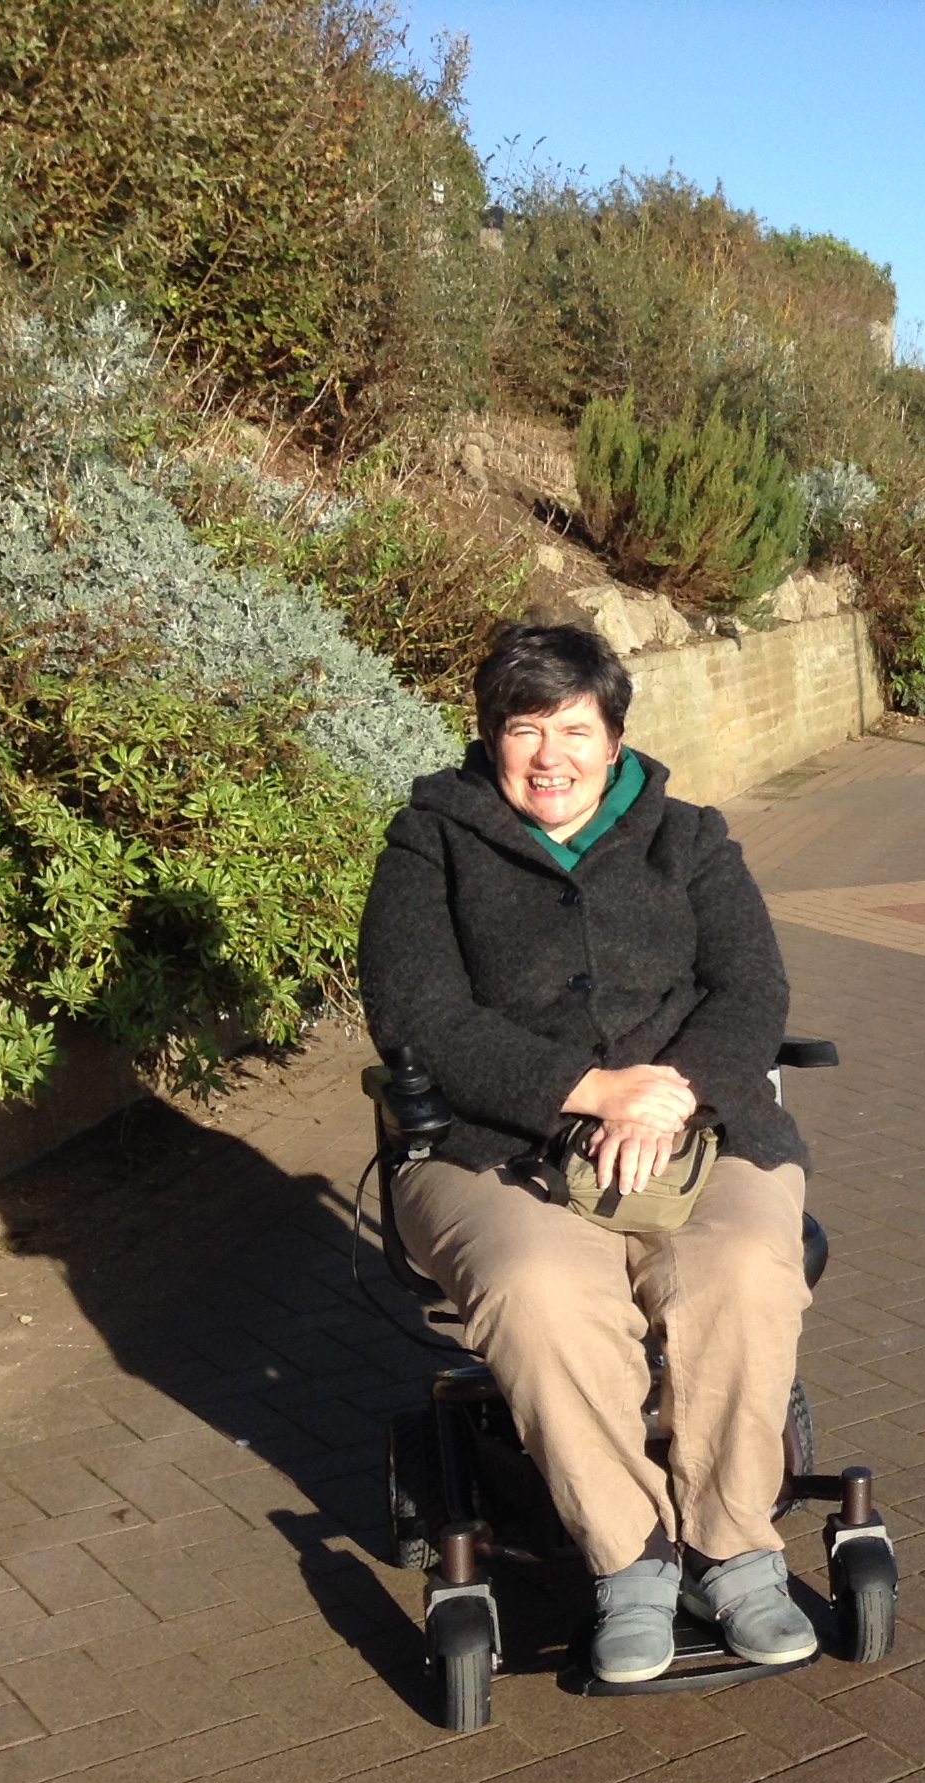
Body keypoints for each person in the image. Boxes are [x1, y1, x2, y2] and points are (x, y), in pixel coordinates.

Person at [360, 624, 819, 1685]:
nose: (550, 754)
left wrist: (668, 1097)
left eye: (575, 727)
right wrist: (586, 1092)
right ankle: (634, 1562)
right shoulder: (430, 841)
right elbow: (417, 1013)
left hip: (696, 1132)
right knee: (538, 1284)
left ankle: (733, 1545)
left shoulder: (691, 839)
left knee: (744, 1263)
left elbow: (751, 992)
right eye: (525, 729)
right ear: (489, 737)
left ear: (614, 737)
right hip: (491, 1147)